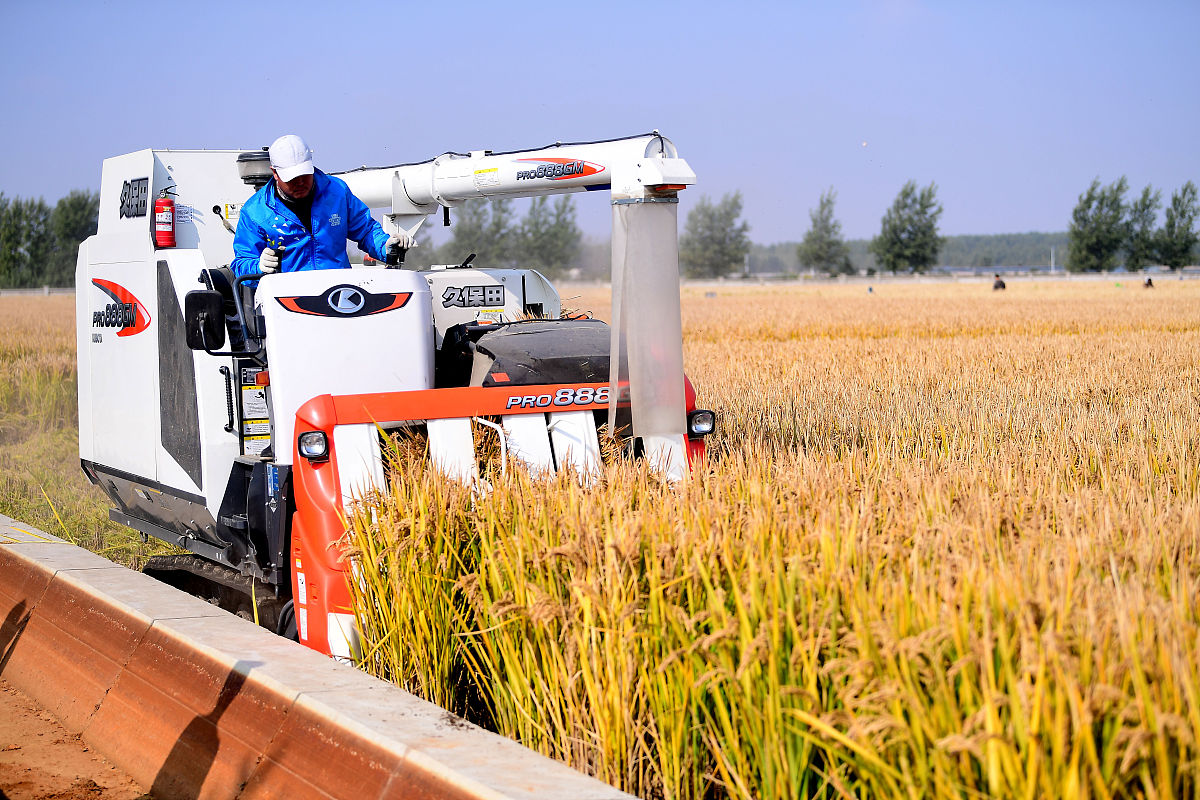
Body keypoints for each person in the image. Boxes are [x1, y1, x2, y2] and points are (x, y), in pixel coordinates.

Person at [231, 134, 414, 278]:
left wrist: (386, 246)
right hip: (286, 302)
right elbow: (241, 264)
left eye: (304, 175)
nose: (300, 182)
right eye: (292, 178)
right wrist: (258, 266)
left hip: (338, 294)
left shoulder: (337, 192)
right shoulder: (255, 212)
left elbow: (365, 231)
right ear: (275, 173)